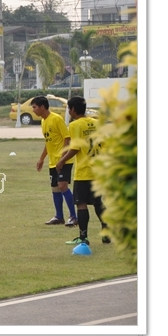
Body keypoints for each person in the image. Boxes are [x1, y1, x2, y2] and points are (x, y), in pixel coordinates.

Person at [56, 96, 110, 245]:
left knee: (81, 203)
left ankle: (83, 237)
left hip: (84, 171)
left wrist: (62, 160)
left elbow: (75, 147)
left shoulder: (75, 125)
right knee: (98, 202)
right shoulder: (97, 123)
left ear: (73, 109)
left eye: (68, 108)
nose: (69, 111)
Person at [31, 96, 77, 227]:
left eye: (34, 107)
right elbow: (48, 142)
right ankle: (59, 216)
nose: (33, 110)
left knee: (63, 186)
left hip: (63, 161)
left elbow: (67, 138)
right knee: (55, 189)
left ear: (42, 107)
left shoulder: (56, 119)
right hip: (53, 161)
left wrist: (62, 159)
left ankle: (74, 217)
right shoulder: (43, 122)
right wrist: (41, 159)